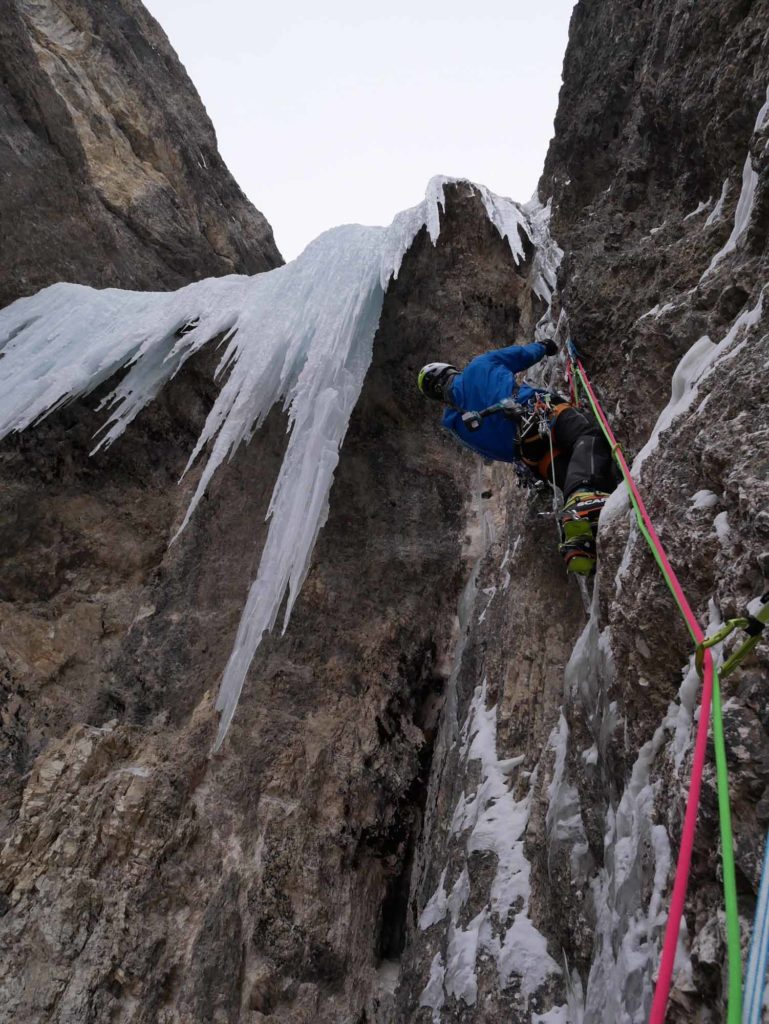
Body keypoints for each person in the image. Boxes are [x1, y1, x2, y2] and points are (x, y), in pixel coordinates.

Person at [417, 340, 616, 574]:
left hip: (533, 456)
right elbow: (522, 354)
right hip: (542, 414)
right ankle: (583, 502)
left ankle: (581, 542)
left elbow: (491, 453)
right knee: (588, 436)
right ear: (449, 370)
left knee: (574, 481)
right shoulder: (479, 366)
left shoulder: (456, 426)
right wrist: (545, 346)